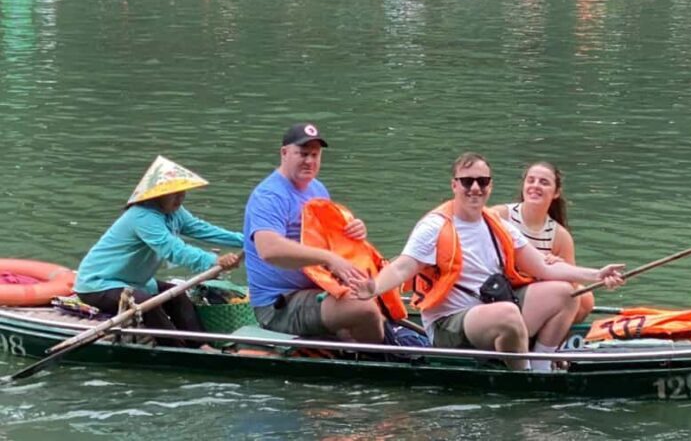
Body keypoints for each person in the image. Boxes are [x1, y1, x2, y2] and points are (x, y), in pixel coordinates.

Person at [351, 152, 624, 371]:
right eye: (467, 181)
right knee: (507, 313)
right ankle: (523, 376)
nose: (475, 188)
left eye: (482, 182)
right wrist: (373, 288)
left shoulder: (497, 224)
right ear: (454, 185)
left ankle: (542, 365)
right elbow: (403, 266)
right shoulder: (435, 226)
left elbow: (543, 267)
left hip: (492, 309)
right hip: (450, 324)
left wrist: (597, 275)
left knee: (566, 292)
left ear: (490, 186)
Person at [74, 156, 242, 346]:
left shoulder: (175, 212)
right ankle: (176, 348)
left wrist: (247, 239)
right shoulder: (142, 216)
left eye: (182, 192)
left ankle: (200, 345)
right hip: (99, 284)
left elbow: (202, 229)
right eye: (174, 194)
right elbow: (173, 249)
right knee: (146, 303)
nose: (180, 197)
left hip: (135, 281)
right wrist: (214, 261)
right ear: (157, 195)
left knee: (177, 295)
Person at [243, 122, 384, 343]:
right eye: (302, 154)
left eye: (315, 155)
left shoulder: (317, 188)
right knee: (365, 309)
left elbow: (330, 238)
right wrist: (328, 258)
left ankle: (361, 344)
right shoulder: (269, 196)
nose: (309, 161)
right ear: (284, 153)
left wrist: (354, 230)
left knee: (377, 291)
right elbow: (269, 249)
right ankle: (377, 358)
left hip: (320, 287)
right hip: (280, 303)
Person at [492, 161, 595, 323]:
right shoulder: (500, 215)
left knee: (585, 298)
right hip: (498, 289)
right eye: (531, 180)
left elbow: (572, 284)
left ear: (556, 193)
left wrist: (557, 265)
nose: (535, 186)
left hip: (536, 293)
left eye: (544, 182)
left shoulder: (560, 236)